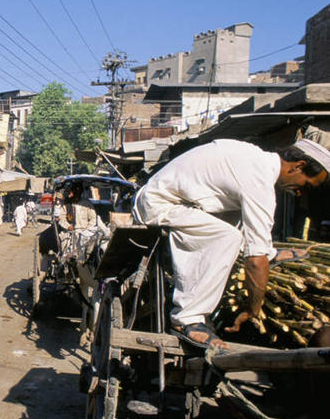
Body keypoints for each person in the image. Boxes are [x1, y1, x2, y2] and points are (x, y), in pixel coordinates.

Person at [133, 138, 330, 350]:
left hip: (183, 201)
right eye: (306, 185)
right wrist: (253, 309)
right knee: (229, 236)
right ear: (298, 166)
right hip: (159, 204)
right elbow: (255, 262)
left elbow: (256, 232)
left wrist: (264, 253)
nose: (301, 192)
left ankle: (269, 253)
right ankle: (186, 319)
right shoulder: (258, 179)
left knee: (239, 221)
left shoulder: (255, 159)